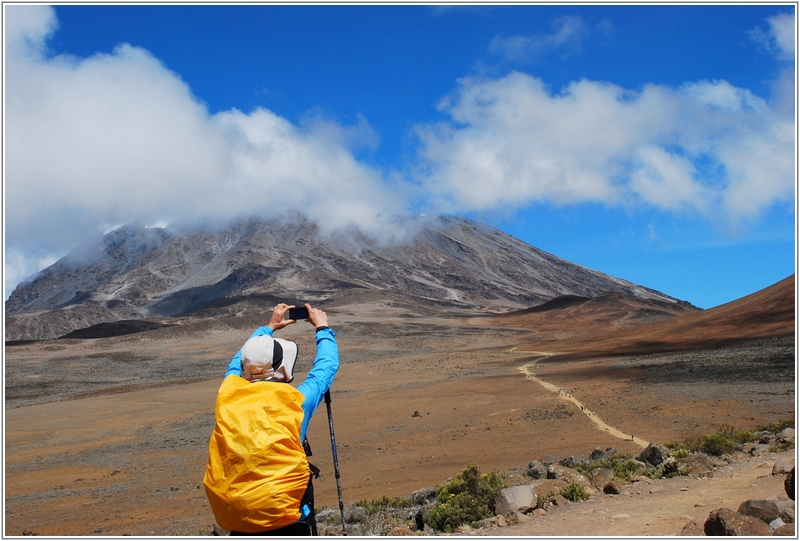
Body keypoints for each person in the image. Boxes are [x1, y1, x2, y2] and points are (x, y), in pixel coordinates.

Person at [204, 302, 339, 536]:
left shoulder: (228, 393)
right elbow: (326, 367)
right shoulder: (294, 402)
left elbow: (237, 362)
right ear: (283, 369)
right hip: (285, 521)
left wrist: (268, 328)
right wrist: (323, 329)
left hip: (236, 517)